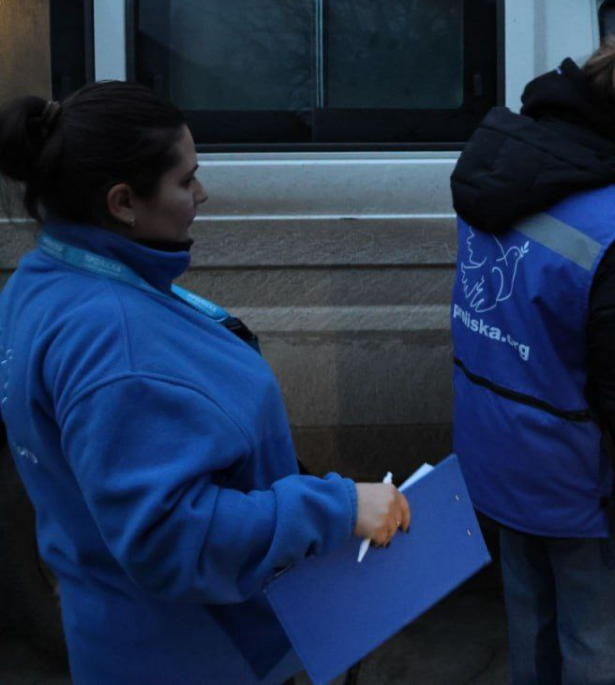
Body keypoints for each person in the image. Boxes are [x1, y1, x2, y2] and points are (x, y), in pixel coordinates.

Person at [0, 82, 411, 684]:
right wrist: (336, 508)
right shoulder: (115, 340)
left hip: (124, 631)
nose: (201, 193)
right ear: (122, 202)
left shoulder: (43, 276)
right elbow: (172, 539)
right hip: (199, 654)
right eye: (185, 179)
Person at [450, 26, 615, 684]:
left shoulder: (496, 165)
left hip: (492, 446)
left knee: (529, 616)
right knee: (594, 638)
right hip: (573, 477)